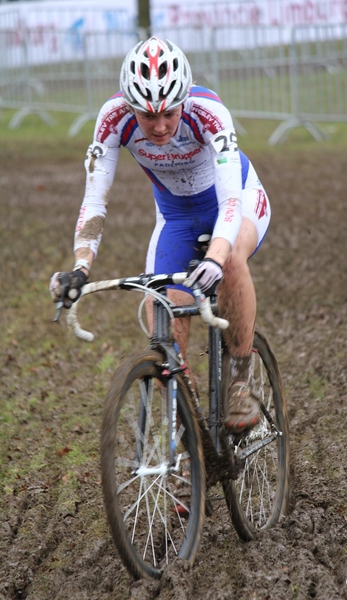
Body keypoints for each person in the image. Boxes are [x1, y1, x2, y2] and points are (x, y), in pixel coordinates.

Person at [50, 36, 271, 433]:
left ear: (183, 99)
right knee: (163, 309)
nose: (160, 125)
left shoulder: (209, 113)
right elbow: (94, 203)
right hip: (175, 217)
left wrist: (216, 257)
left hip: (234, 201)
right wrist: (81, 264)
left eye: (169, 112)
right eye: (147, 116)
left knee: (233, 260)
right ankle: (187, 437)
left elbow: (231, 202)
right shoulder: (113, 118)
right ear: (130, 106)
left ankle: (241, 378)